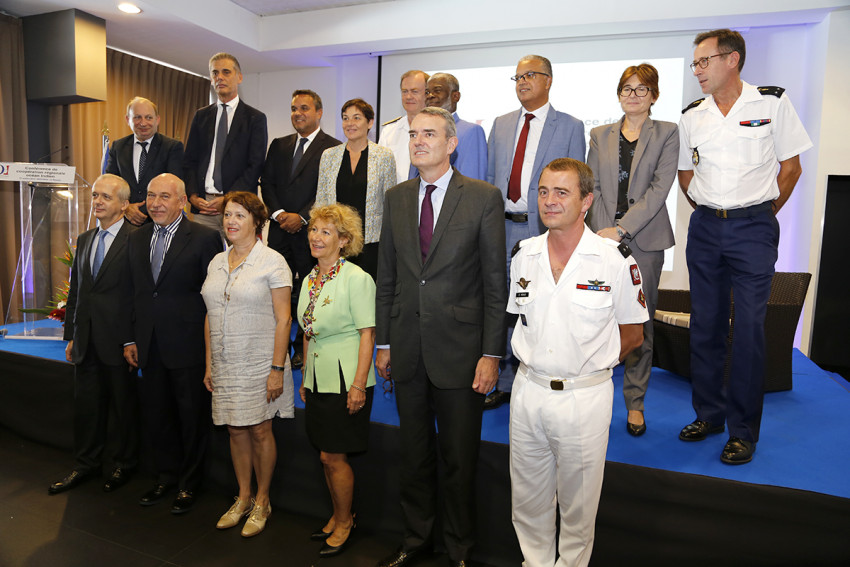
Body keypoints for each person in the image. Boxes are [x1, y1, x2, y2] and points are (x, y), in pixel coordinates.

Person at [375, 107, 507, 567]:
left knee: (458, 460)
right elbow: (388, 276)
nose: (418, 141)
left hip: (461, 353)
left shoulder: (483, 197)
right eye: (413, 134)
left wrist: (492, 353)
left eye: (429, 134)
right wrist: (385, 343)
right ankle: (415, 542)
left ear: (452, 143)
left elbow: (495, 282)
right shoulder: (395, 198)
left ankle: (460, 549)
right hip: (408, 350)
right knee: (413, 459)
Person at [677, 29, 812, 464]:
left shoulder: (771, 103)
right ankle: (709, 415)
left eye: (703, 61)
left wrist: (762, 214)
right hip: (706, 228)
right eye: (695, 63)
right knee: (706, 326)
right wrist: (709, 209)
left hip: (753, 226)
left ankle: (743, 431)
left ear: (731, 60)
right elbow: (685, 175)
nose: (696, 69)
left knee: (750, 331)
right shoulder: (692, 115)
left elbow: (792, 168)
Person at [508, 158, 647, 567]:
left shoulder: (614, 260)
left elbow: (633, 333)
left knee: (578, 511)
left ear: (586, 200)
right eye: (544, 191)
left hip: (583, 398)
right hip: (528, 391)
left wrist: (588, 364)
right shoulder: (523, 255)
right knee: (527, 504)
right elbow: (522, 319)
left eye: (562, 192)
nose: (550, 201)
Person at [486, 54, 586, 410]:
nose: (522, 82)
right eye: (516, 77)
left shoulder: (571, 126)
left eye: (529, 75)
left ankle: (533, 375)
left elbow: (577, 186)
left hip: (542, 229)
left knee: (538, 305)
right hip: (501, 227)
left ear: (549, 80)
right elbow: (488, 182)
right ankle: (502, 377)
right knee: (501, 303)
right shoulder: (499, 124)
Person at [586, 63, 679, 436]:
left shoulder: (668, 133)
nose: (633, 95)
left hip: (645, 241)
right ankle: (594, 398)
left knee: (639, 323)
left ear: (654, 95)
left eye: (642, 89)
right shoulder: (599, 134)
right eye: (627, 88)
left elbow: (660, 187)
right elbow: (590, 186)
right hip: (602, 237)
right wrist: (602, 232)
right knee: (597, 319)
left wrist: (622, 229)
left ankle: (635, 403)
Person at [122, 173, 224, 514]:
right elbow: (135, 293)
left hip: (188, 345)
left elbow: (212, 297)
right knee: (157, 416)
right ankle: (165, 477)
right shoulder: (136, 238)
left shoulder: (205, 238)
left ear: (183, 201)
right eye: (151, 196)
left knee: (191, 418)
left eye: (164, 197)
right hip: (148, 345)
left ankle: (189, 484)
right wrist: (131, 338)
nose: (155, 203)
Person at [201, 191, 293, 537]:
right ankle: (243, 497)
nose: (231, 222)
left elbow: (284, 320)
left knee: (259, 430)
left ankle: (263, 501)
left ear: (257, 222)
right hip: (225, 361)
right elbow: (209, 315)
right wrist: (210, 364)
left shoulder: (272, 261)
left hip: (259, 361)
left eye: (240, 215)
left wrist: (277, 369)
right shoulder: (216, 262)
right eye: (227, 215)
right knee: (234, 429)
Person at [49, 174, 139, 495]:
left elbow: (138, 296)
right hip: (86, 340)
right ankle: (85, 465)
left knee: (122, 408)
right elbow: (78, 291)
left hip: (119, 342)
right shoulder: (86, 239)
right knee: (87, 409)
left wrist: (131, 339)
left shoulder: (137, 239)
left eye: (106, 197)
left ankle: (123, 465)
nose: (97, 202)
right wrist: (71, 334)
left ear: (124, 204)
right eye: (96, 196)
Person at [297, 204, 376, 558]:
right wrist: (305, 376)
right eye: (314, 229)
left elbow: (367, 334)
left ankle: (346, 522)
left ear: (344, 241)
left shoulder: (357, 278)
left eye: (326, 232)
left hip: (346, 380)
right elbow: (307, 329)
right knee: (326, 456)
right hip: (317, 378)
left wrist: (359, 384)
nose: (316, 237)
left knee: (333, 456)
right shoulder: (310, 278)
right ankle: (338, 514)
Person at [262, 89, 342, 370]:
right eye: (294, 108)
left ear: (319, 112)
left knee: (311, 290)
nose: (298, 113)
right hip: (279, 229)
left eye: (304, 108)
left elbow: (329, 188)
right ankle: (275, 344)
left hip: (313, 233)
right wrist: (279, 213)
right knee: (275, 288)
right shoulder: (279, 144)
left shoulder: (333, 148)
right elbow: (267, 183)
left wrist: (303, 217)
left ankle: (301, 348)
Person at [183, 52, 268, 235]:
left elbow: (255, 166)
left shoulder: (255, 118)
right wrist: (192, 195)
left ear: (239, 77)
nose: (219, 77)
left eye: (226, 72)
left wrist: (228, 199)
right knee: (204, 262)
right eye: (215, 73)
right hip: (203, 207)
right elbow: (190, 160)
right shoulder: (201, 116)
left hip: (239, 206)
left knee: (239, 260)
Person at [315, 98, 397, 280]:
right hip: (335, 242)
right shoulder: (329, 156)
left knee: (367, 295)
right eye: (345, 118)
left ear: (370, 122)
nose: (350, 123)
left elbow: (391, 203)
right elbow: (320, 202)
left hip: (371, 243)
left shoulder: (384, 156)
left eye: (356, 118)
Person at [105, 97, 184, 225]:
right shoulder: (118, 147)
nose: (143, 123)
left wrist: (142, 209)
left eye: (148, 117)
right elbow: (110, 185)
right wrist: (127, 208)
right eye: (137, 117)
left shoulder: (172, 147)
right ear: (127, 119)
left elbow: (175, 188)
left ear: (157, 120)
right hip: (125, 221)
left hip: (160, 221)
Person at [425, 72, 487, 180]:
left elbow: (472, 182)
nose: (430, 95)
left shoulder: (471, 131)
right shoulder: (420, 132)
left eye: (437, 90)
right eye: (427, 92)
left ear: (455, 96)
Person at [379, 70, 428, 184]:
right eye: (404, 91)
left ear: (427, 94)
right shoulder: (389, 132)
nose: (408, 96)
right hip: (397, 197)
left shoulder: (438, 130)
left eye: (414, 91)